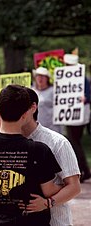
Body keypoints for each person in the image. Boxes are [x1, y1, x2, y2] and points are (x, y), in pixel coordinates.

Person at [0, 87, 81, 226]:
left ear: (32, 108)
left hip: (55, 220)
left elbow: (74, 187)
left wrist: (48, 202)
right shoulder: (7, 140)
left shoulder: (57, 142)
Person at [0, 85, 62, 226]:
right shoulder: (39, 150)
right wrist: (65, 186)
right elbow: (49, 191)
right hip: (31, 220)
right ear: (25, 114)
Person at [63, 53, 91, 182]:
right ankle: (84, 169)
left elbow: (88, 95)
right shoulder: (65, 77)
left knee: (75, 142)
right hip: (70, 113)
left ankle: (83, 170)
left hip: (78, 114)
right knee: (76, 142)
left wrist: (85, 98)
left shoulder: (82, 78)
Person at [32, 67, 62, 133]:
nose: (40, 78)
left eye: (42, 76)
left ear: (47, 78)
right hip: (36, 128)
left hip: (52, 127)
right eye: (38, 76)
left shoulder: (54, 91)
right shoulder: (32, 91)